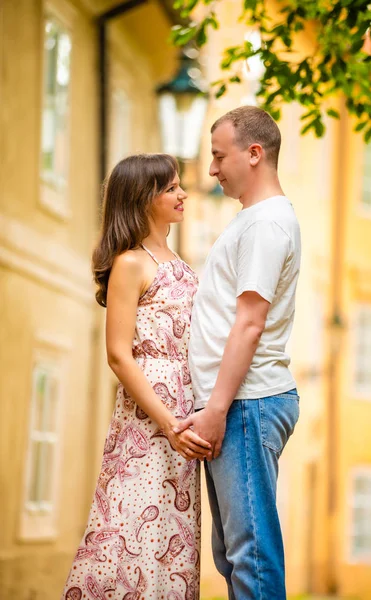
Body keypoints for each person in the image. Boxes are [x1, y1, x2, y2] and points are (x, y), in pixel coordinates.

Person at [62, 154, 211, 600]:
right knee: (131, 528)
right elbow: (118, 355)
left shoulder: (181, 262)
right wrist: (167, 423)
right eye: (171, 188)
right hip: (149, 424)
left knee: (170, 535)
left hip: (182, 422)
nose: (183, 194)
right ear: (144, 199)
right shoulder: (131, 263)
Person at [175, 106, 301, 600]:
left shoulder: (267, 224)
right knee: (233, 554)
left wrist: (216, 410)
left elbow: (250, 324)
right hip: (237, 405)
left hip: (245, 404)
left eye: (218, 156)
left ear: (254, 154)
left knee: (252, 558)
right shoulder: (253, 220)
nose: (211, 169)